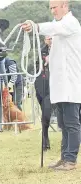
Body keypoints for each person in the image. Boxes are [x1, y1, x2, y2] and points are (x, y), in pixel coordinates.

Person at [22, 0, 81, 171]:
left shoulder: (71, 22)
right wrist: (50, 43)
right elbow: (55, 34)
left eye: (55, 7)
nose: (53, 11)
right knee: (63, 123)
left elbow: (53, 29)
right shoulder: (59, 25)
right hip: (60, 84)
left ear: (65, 5)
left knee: (72, 123)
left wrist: (35, 27)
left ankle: (71, 159)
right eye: (51, 8)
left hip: (70, 83)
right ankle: (64, 157)